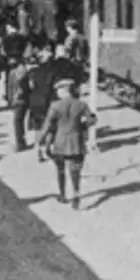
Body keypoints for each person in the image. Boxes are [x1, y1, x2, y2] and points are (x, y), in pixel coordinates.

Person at [39, 78, 96, 209]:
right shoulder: (81, 104)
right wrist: (82, 126)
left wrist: (40, 140)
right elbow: (92, 120)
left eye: (59, 90)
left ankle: (62, 195)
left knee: (60, 170)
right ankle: (76, 195)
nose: (57, 93)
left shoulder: (55, 105)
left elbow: (47, 124)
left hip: (60, 142)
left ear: (64, 91)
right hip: (76, 142)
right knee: (75, 172)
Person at [6, 54, 32, 151]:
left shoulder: (13, 73)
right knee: (20, 121)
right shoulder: (26, 72)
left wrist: (10, 100)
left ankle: (20, 144)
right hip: (25, 100)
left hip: (17, 100)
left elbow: (10, 88)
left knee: (17, 122)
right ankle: (22, 141)